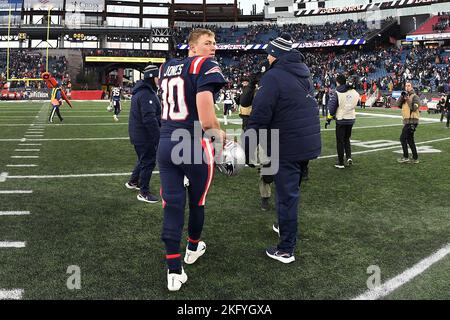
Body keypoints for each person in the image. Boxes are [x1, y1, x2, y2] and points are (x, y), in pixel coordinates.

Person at [158, 28, 227, 291]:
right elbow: (207, 121)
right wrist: (222, 138)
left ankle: (174, 271)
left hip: (166, 142)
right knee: (197, 202)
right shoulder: (204, 65)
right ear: (192, 47)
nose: (213, 48)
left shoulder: (166, 68)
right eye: (208, 43)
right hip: (192, 143)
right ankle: (193, 248)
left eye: (214, 43)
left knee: (172, 205)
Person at [246, 33, 321, 264]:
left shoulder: (274, 77)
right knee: (288, 193)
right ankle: (282, 225)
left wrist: (248, 150)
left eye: (269, 53)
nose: (267, 57)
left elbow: (259, 115)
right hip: (305, 143)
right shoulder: (304, 74)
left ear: (276, 55)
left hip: (286, 145)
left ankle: (286, 249)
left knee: (287, 197)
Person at [126, 65, 161, 203]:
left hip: (138, 133)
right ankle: (143, 192)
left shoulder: (143, 91)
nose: (160, 80)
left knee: (143, 158)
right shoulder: (147, 94)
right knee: (148, 161)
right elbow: (149, 119)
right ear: (152, 77)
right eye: (158, 77)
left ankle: (133, 181)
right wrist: (158, 138)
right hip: (143, 135)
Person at [327, 75, 360, 169]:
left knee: (340, 141)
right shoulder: (355, 92)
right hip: (351, 118)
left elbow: (332, 107)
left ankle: (341, 162)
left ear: (337, 82)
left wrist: (329, 118)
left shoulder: (338, 92)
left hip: (341, 119)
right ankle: (349, 157)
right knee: (347, 139)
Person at [395, 82, 421, 164]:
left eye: (409, 86)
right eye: (406, 85)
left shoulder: (415, 96)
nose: (407, 87)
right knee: (410, 140)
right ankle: (415, 158)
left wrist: (407, 99)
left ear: (412, 87)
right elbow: (398, 105)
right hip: (408, 121)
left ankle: (406, 157)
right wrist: (402, 97)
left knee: (402, 138)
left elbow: (413, 108)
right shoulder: (404, 96)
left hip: (412, 121)